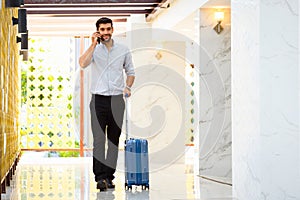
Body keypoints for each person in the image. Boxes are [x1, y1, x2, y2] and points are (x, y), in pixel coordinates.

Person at [79, 17, 135, 191]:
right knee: (98, 140)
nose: (105, 32)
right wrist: (93, 44)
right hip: (98, 100)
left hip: (117, 99)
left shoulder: (123, 49)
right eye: (102, 30)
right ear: (98, 31)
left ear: (112, 29)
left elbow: (131, 72)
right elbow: (82, 63)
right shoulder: (94, 50)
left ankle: (109, 177)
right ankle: (100, 178)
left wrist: (127, 86)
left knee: (113, 141)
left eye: (108, 29)